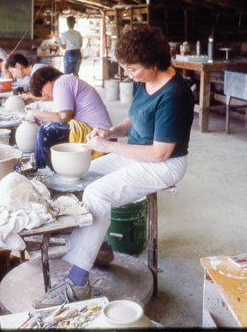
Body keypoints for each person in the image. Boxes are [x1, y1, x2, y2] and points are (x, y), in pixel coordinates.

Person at [33, 26, 194, 309]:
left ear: (154, 62)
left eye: (132, 68)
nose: (128, 74)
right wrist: (109, 132)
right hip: (136, 153)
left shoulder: (176, 94)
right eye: (125, 68)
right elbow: (135, 119)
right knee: (83, 175)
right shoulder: (143, 82)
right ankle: (100, 249)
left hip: (164, 164)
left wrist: (110, 147)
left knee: (97, 194)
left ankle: (78, 282)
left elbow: (160, 152)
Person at [28, 66, 112, 169]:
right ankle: (42, 167)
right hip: (94, 132)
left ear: (48, 81)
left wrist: (36, 113)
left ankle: (42, 171)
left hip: (100, 135)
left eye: (41, 90)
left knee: (47, 130)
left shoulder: (61, 82)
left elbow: (62, 118)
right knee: (49, 127)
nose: (43, 94)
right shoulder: (67, 81)